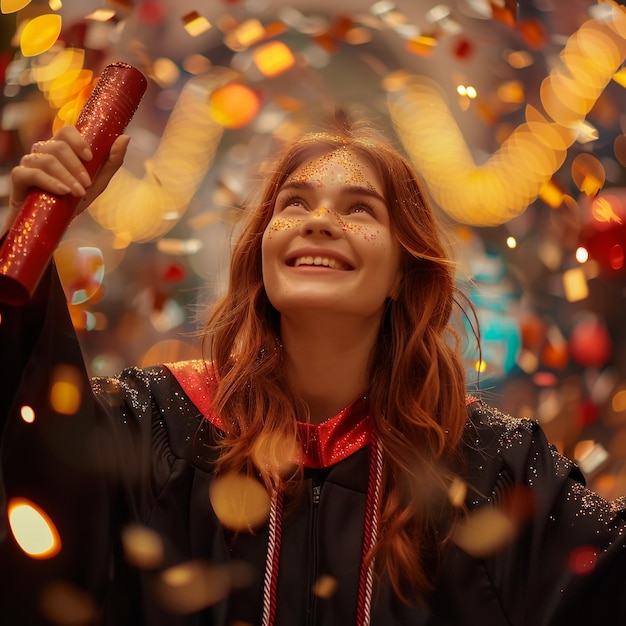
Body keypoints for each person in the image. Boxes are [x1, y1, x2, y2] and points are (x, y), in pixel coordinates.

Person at [1, 117, 625, 626]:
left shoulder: (491, 464)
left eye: (361, 209)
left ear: (404, 273)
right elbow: (33, 464)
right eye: (294, 202)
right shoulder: (158, 427)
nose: (319, 220)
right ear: (263, 252)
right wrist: (29, 241)